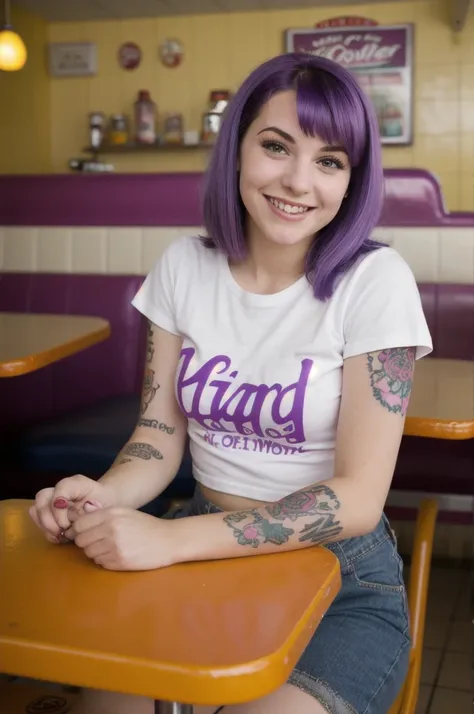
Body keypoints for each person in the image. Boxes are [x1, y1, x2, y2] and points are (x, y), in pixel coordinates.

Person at [30, 52, 432, 714]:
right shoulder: (184, 266)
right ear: (237, 148)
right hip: (200, 542)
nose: (299, 181)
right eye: (277, 147)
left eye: (330, 161)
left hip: (339, 574)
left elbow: (358, 498)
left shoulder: (376, 281)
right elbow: (159, 436)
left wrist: (165, 539)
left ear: (351, 179)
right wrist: (101, 498)